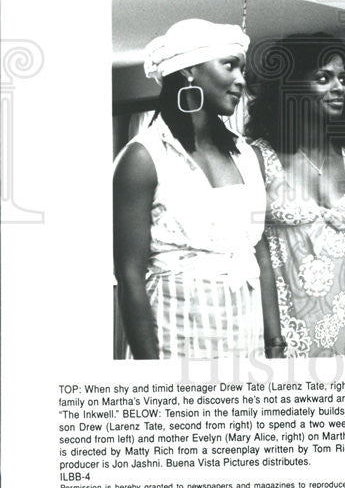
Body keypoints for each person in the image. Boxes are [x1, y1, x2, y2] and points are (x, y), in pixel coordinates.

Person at [113, 19, 284, 360]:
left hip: (244, 331)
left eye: (243, 69)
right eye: (230, 66)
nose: (241, 80)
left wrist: (275, 341)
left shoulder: (248, 155)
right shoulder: (144, 157)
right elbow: (129, 273)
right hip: (175, 334)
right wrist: (150, 372)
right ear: (189, 71)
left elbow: (258, 248)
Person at [245, 33, 345, 357]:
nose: (339, 87)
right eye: (324, 78)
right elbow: (253, 253)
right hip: (283, 327)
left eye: (342, 78)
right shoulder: (258, 159)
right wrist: (272, 336)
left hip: (343, 323)